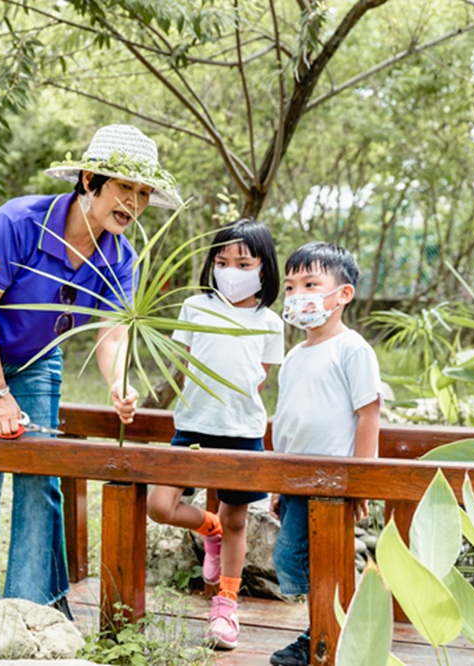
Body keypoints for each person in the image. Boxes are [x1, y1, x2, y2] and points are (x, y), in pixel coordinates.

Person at [0, 124, 182, 616]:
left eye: (144, 192)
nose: (135, 202)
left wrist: (119, 383)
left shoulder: (120, 257)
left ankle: (32, 610)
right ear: (89, 180)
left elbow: (111, 333)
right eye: (125, 186)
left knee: (42, 472)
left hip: (36, 358)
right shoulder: (18, 222)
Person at [145, 219, 284, 650]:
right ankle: (211, 530)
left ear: (263, 268)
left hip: (242, 431)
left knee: (238, 519)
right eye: (221, 262)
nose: (230, 271)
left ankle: (226, 604)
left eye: (243, 263)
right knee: (159, 505)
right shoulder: (195, 306)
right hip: (192, 426)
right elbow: (188, 362)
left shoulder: (270, 321)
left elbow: (259, 377)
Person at [268, 241, 383, 666]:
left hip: (332, 478)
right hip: (294, 476)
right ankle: (325, 629)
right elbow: (287, 419)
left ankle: (326, 634)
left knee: (313, 558)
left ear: (343, 294)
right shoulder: (294, 356)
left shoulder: (352, 349)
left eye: (311, 284)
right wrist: (277, 481)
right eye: (291, 287)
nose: (297, 295)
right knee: (300, 557)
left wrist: (361, 478)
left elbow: (368, 413)